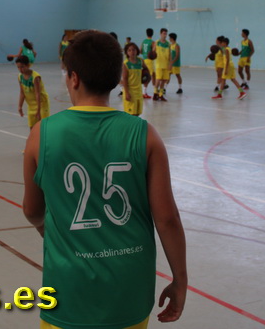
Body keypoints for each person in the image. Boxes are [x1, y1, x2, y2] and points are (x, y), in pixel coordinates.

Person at [22, 30, 187, 329]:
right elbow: (167, 219)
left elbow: (33, 211)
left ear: (73, 78)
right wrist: (180, 279)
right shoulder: (146, 135)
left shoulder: (41, 135)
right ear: (115, 77)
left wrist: (48, 230)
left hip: (69, 286)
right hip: (130, 286)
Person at [16, 55, 49, 129]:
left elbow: (37, 94)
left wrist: (38, 110)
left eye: (22, 67)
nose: (20, 69)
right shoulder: (20, 77)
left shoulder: (35, 77)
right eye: (18, 67)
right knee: (32, 127)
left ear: (28, 65)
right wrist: (20, 106)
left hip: (41, 104)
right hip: (31, 106)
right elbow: (22, 93)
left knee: (43, 127)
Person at [121, 42, 144, 116]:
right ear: (127, 53)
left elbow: (146, 70)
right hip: (130, 91)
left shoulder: (140, 61)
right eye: (129, 50)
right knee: (131, 114)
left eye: (134, 50)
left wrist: (147, 78)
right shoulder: (126, 64)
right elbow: (124, 79)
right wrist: (127, 93)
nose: (132, 52)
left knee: (137, 113)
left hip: (138, 90)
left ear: (137, 51)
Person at [153, 28, 172, 101]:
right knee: (158, 79)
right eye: (164, 33)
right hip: (158, 64)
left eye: (166, 34)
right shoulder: (157, 42)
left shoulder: (168, 44)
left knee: (164, 80)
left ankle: (161, 95)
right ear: (160, 34)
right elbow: (153, 52)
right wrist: (152, 55)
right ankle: (155, 94)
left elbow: (170, 54)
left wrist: (170, 64)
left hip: (166, 64)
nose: (165, 35)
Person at [140, 28, 156, 99]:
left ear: (146, 34)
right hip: (149, 61)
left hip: (144, 60)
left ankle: (153, 91)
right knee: (149, 76)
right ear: (152, 34)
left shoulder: (143, 41)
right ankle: (145, 92)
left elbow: (140, 51)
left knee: (151, 75)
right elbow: (153, 52)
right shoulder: (153, 42)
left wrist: (145, 53)